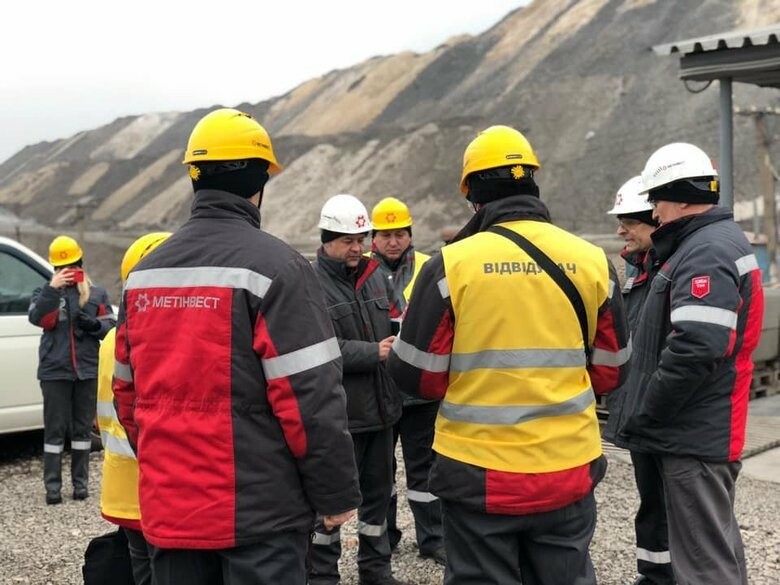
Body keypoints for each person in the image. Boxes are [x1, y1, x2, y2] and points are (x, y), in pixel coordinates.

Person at [113, 108, 361, 585]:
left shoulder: (143, 275)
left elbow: (127, 395)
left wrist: (169, 469)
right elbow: (310, 399)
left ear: (194, 177)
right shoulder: (279, 268)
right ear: (259, 181)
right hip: (259, 517)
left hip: (172, 514)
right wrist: (334, 493)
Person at [387, 125, 630, 585]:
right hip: (568, 466)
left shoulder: (451, 265)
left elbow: (419, 377)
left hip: (479, 473)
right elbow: (612, 371)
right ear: (533, 184)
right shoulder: (594, 261)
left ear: (474, 197)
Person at [615, 143, 764, 585]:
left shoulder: (705, 251)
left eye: (656, 200)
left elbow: (698, 346)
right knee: (712, 551)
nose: (653, 212)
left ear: (680, 198)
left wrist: (649, 412)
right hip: (694, 429)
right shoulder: (706, 244)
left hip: (692, 432)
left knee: (703, 564)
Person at [310, 194, 408, 585]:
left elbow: (397, 321)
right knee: (329, 503)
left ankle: (375, 571)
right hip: (340, 417)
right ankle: (321, 575)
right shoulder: (311, 284)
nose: (357, 248)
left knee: (379, 499)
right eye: (348, 241)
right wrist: (373, 353)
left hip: (381, 411)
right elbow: (314, 349)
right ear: (327, 240)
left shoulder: (376, 276)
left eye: (361, 239)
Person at [601, 177, 671, 585]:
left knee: (671, 508)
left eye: (629, 222)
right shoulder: (638, 269)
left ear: (656, 220)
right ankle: (654, 576)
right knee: (652, 506)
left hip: (662, 414)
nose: (620, 231)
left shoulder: (671, 270)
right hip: (642, 414)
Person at [368, 196, 445, 565]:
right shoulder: (361, 272)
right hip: (379, 388)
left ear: (410, 235)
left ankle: (433, 538)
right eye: (386, 235)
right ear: (373, 238)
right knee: (379, 471)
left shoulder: (430, 267)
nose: (393, 241)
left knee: (425, 467)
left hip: (419, 389)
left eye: (400, 234)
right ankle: (384, 538)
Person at [97, 232, 171, 585]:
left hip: (122, 487)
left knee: (143, 569)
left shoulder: (112, 338)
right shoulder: (161, 340)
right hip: (159, 488)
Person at [28, 235, 115, 505]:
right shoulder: (43, 293)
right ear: (54, 269)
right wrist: (52, 290)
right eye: (61, 268)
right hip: (55, 372)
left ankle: (81, 486)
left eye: (73, 265)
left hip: (86, 371)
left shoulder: (96, 293)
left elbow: (111, 327)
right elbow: (38, 318)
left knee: (82, 432)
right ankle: (52, 489)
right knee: (54, 432)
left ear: (81, 263)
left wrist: (94, 325)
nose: (68, 271)